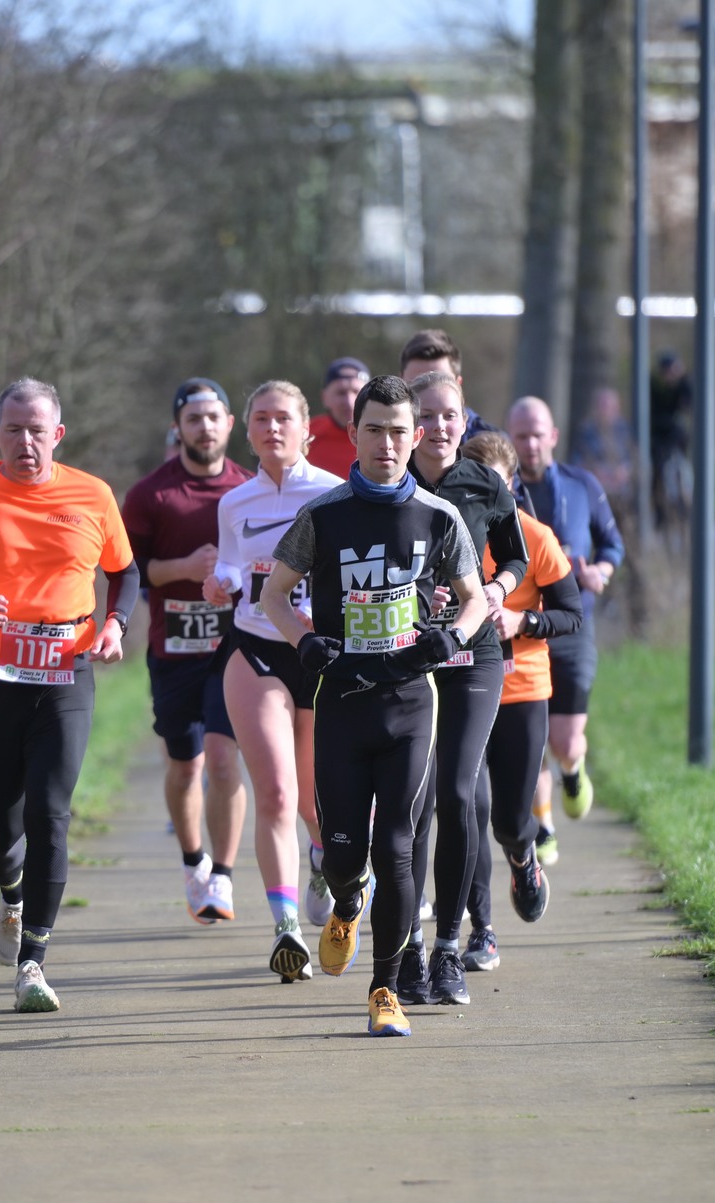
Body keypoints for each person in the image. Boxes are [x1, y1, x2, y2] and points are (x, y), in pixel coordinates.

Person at [259, 373, 490, 1037]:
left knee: (396, 847)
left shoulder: (437, 517)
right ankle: (345, 898)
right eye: (374, 430)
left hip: (410, 703)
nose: (387, 444)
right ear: (353, 434)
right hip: (341, 703)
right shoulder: (324, 515)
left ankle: (384, 988)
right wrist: (303, 639)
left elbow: (474, 597)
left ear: (416, 437)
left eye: (398, 431)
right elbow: (275, 594)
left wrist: (455, 633)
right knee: (342, 854)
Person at [0, 378, 137, 1013]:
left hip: (65, 679)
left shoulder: (92, 494)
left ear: (57, 435)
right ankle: (11, 897)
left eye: (37, 430)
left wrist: (116, 625)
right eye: (14, 429)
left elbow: (125, 572)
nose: (26, 441)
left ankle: (33, 963)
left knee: (49, 812)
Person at [205, 380, 345, 981]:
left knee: (315, 800)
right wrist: (220, 583)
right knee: (278, 795)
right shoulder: (235, 503)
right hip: (257, 650)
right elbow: (230, 567)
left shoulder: (337, 496)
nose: (272, 428)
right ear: (248, 430)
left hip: (318, 656)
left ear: (306, 428)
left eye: (283, 417)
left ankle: (320, 860)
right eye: (260, 419)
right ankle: (286, 929)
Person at [397, 369, 528, 1006]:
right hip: (410, 659)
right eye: (429, 414)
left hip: (474, 656)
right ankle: (409, 952)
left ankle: (451, 946)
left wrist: (496, 591)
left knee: (456, 791)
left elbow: (517, 558)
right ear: (409, 421)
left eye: (452, 415)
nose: (441, 426)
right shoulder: (388, 486)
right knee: (414, 805)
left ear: (465, 418)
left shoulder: (485, 483)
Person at [122, 378, 252, 922]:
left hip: (234, 649)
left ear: (229, 424)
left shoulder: (248, 490)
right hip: (173, 649)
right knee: (185, 764)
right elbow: (127, 569)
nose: (204, 426)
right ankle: (192, 860)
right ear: (178, 429)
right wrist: (184, 569)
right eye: (193, 418)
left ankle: (222, 877)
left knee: (223, 763)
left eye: (213, 416)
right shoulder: (151, 494)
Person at [458, 433, 583, 963]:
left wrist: (522, 620)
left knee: (508, 818)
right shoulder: (443, 533)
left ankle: (522, 855)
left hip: (521, 689)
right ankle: (481, 929)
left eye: (495, 483)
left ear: (511, 486)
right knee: (467, 808)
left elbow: (571, 613)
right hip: (461, 686)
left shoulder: (535, 537)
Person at [505, 395, 624, 868]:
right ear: (511, 442)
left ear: (553, 436)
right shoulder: (503, 495)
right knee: (532, 735)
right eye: (521, 436)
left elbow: (613, 544)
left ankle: (573, 770)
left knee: (565, 742)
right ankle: (544, 824)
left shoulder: (582, 484)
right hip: (521, 629)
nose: (531, 444)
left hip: (574, 623)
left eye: (538, 434)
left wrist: (600, 571)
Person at [398, 328, 496, 443]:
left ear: (458, 384)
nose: (428, 394)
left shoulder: (491, 448)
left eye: (441, 381)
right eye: (416, 384)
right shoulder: (385, 444)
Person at [569, 385, 635, 509]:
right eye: (602, 406)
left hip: (623, 494)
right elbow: (575, 462)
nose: (606, 411)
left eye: (610, 407)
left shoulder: (624, 432)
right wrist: (594, 471)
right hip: (595, 491)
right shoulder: (585, 433)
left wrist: (624, 471)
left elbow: (634, 461)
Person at [649, 351, 693, 528]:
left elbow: (689, 401)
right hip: (659, 442)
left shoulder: (682, 387)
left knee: (682, 475)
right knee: (658, 475)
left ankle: (682, 511)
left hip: (678, 443)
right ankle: (661, 514)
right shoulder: (654, 388)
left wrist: (681, 378)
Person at [307, 357, 368, 477]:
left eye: (356, 392)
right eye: (341, 393)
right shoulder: (306, 435)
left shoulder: (385, 435)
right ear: (325, 397)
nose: (350, 402)